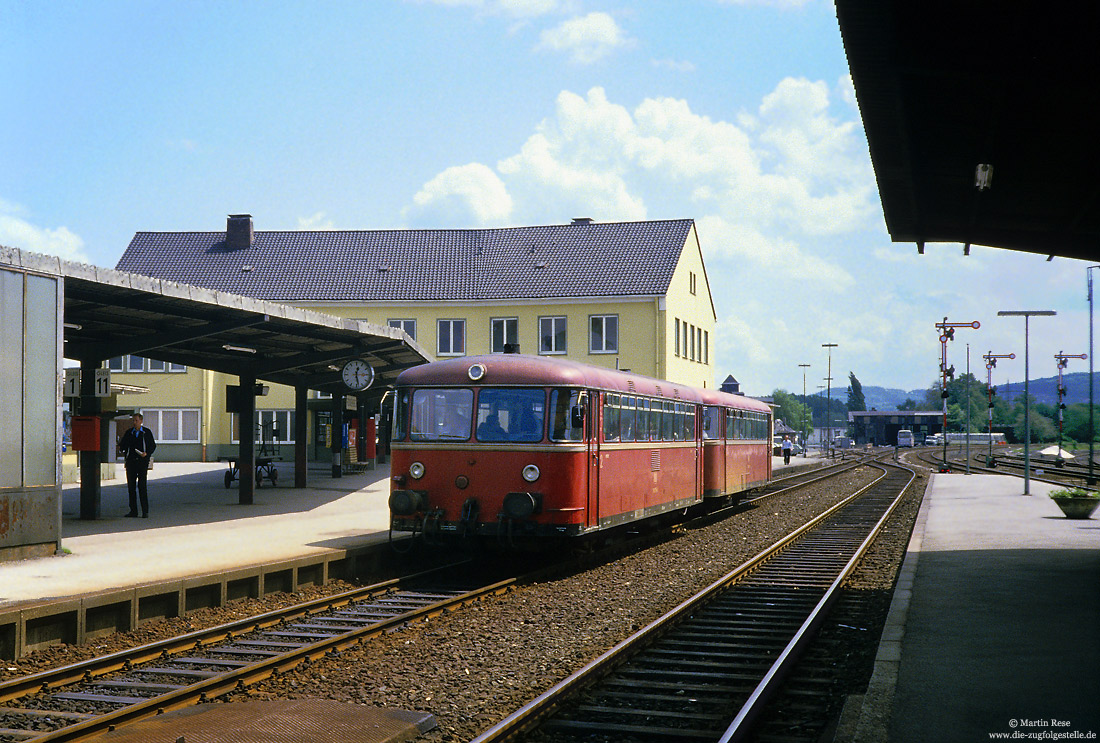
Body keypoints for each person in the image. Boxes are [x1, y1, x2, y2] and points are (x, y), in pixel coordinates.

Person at [117, 413, 156, 518]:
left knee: (142, 486)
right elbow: (123, 445)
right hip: (131, 463)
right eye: (133, 421)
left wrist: (146, 453)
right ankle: (133, 511)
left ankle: (145, 511)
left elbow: (152, 446)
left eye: (136, 421)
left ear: (141, 421)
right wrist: (124, 450)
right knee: (131, 487)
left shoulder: (146, 432)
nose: (134, 423)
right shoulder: (129, 433)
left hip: (142, 463)